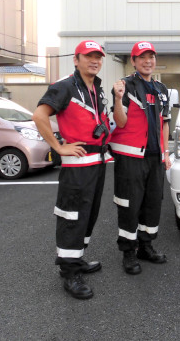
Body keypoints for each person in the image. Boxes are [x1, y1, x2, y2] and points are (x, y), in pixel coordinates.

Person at [32, 40, 112, 300]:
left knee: (89, 217)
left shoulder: (96, 88)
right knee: (72, 218)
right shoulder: (65, 86)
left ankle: (77, 261)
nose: (95, 61)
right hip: (77, 167)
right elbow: (39, 116)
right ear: (75, 59)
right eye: (88, 56)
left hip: (97, 164)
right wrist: (58, 147)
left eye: (98, 57)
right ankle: (69, 273)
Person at [109, 41, 171, 275]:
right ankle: (128, 252)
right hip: (131, 157)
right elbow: (120, 122)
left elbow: (165, 124)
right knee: (129, 205)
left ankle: (146, 246)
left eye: (151, 57)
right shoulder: (124, 86)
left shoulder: (161, 89)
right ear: (133, 61)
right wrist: (117, 98)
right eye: (142, 57)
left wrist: (165, 153)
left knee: (153, 203)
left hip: (155, 157)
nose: (148, 61)